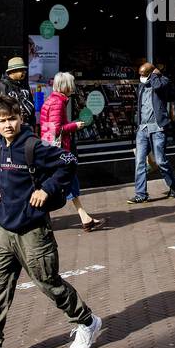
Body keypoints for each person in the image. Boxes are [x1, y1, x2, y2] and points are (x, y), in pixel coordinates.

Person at [0, 93, 101, 348]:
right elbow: (12, 177)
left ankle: (87, 322)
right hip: (3, 228)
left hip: (33, 230)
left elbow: (69, 160)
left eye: (12, 119)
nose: (8, 125)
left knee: (49, 283)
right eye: (2, 120)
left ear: (20, 119)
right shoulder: (2, 146)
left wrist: (46, 189)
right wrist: (2, 194)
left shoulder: (32, 145)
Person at [40, 72, 105, 232]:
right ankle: (40, 217)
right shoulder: (57, 102)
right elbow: (56, 129)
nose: (73, 87)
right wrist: (75, 126)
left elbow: (49, 128)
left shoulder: (53, 100)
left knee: (68, 182)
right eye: (71, 84)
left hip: (51, 149)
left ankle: (85, 218)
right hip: (58, 151)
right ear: (66, 86)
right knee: (60, 183)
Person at [127, 61, 175, 204]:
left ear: (151, 74)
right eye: (140, 75)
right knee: (139, 162)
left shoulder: (162, 82)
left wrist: (156, 75)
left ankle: (173, 185)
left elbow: (158, 85)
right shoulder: (141, 86)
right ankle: (141, 194)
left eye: (144, 74)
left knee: (161, 161)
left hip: (157, 128)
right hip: (143, 129)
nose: (141, 77)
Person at [0, 57, 35, 126]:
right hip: (11, 127)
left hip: (27, 127)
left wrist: (32, 123)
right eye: (21, 70)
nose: (24, 72)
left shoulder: (24, 85)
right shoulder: (2, 86)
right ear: (12, 71)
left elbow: (31, 105)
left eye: (24, 70)